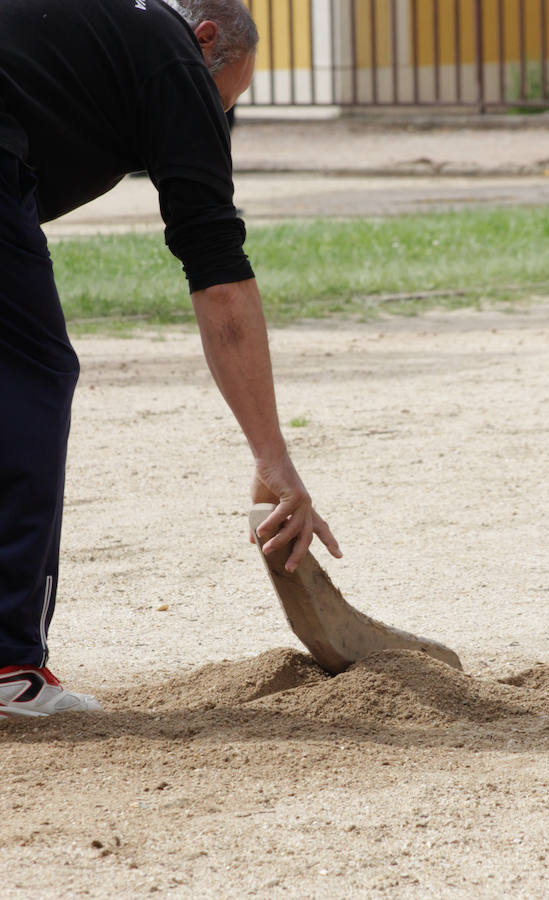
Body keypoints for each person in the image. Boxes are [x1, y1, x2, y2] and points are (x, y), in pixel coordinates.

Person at [0, 0, 341, 718]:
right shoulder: (172, 57)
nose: (216, 127)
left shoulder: (99, 37)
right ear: (207, 38)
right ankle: (8, 666)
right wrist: (272, 458)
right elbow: (218, 274)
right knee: (33, 373)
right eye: (224, 105)